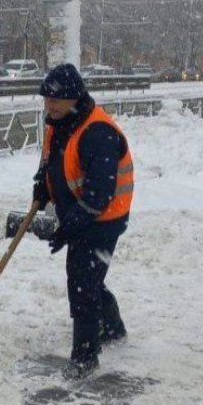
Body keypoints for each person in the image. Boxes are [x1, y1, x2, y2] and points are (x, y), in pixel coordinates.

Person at [32, 63, 134, 379]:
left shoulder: (97, 132)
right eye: (46, 99)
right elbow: (51, 163)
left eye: (55, 100)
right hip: (81, 215)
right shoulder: (58, 125)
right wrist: (42, 185)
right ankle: (112, 328)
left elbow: (99, 194)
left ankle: (85, 358)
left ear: (74, 98)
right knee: (89, 277)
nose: (49, 105)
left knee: (82, 282)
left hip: (104, 219)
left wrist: (68, 227)